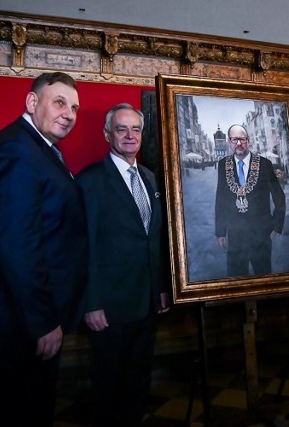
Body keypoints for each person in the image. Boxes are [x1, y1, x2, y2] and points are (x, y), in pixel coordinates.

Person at [0, 72, 87, 426]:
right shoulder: (18, 150)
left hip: (25, 315)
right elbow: (18, 244)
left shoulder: (38, 149)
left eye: (75, 107)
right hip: (20, 320)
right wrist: (43, 321)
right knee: (21, 411)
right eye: (60, 102)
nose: (69, 114)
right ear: (33, 103)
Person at [76, 103, 171, 427]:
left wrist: (159, 288)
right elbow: (83, 245)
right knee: (107, 385)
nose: (130, 136)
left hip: (146, 302)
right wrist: (91, 303)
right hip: (109, 307)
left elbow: (153, 238)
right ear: (107, 134)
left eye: (135, 129)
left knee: (137, 381)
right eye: (121, 129)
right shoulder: (90, 181)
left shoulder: (149, 177)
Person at [215, 124, 286, 276]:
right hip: (235, 235)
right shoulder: (222, 165)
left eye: (241, 139)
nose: (238, 144)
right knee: (236, 280)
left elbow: (279, 196)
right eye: (234, 140)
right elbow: (220, 198)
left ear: (248, 141)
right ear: (229, 142)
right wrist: (220, 232)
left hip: (261, 234)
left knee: (264, 277)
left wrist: (276, 226)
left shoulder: (264, 164)